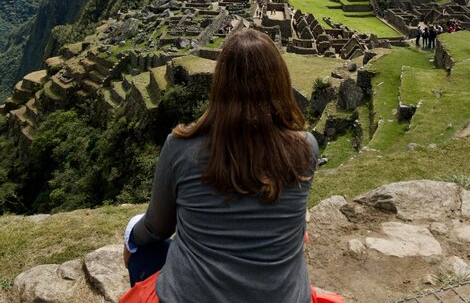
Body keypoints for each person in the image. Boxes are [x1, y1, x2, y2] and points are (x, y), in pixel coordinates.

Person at [119, 28, 344, 303]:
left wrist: (131, 235)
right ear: (279, 82)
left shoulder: (180, 148)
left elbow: (156, 229)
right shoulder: (304, 148)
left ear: (221, 84)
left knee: (142, 249)